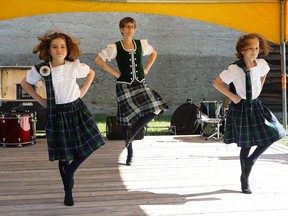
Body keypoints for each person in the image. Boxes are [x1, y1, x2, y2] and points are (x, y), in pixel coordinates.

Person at [20, 31, 105, 206]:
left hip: (76, 109)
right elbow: (24, 83)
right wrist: (40, 99)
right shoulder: (41, 69)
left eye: (63, 46)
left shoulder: (74, 65)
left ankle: (71, 171)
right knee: (63, 155)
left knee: (93, 141)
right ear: (48, 50)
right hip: (56, 113)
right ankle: (68, 191)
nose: (59, 49)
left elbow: (91, 73)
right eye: (55, 47)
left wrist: (83, 92)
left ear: (68, 48)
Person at [212, 33, 286, 194]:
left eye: (257, 48)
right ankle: (245, 180)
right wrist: (233, 97)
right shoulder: (234, 69)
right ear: (242, 50)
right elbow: (216, 83)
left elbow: (264, 73)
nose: (255, 51)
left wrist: (259, 87)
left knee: (275, 132)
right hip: (241, 107)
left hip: (256, 105)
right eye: (251, 48)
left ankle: (252, 160)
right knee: (246, 144)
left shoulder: (261, 64)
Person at [95, 17, 168, 166]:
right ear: (121, 29)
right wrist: (115, 73)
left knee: (156, 108)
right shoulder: (115, 47)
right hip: (124, 85)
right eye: (127, 27)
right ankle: (130, 153)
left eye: (132, 27)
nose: (130, 29)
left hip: (140, 83)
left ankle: (133, 132)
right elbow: (98, 59)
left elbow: (154, 53)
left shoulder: (141, 44)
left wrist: (146, 69)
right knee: (127, 119)